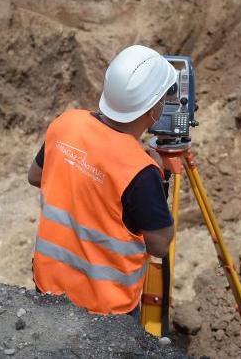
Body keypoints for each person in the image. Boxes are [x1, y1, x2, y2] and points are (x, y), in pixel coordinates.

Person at [28, 45, 177, 316]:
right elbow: (160, 245)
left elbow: (35, 176)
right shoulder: (141, 170)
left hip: (48, 286)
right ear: (153, 108)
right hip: (104, 312)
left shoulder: (67, 122)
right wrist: (158, 183)